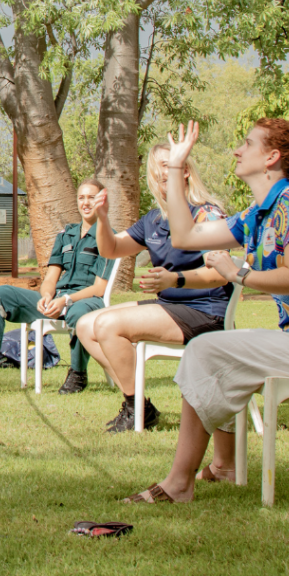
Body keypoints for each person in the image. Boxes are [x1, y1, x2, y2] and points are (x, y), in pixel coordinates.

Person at [122, 119, 289, 504]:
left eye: (247, 143)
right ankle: (206, 472)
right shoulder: (260, 212)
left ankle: (181, 483)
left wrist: (238, 273)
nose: (237, 150)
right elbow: (185, 236)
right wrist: (175, 168)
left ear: (271, 157)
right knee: (209, 350)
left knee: (209, 350)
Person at [76, 145, 232, 433]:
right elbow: (110, 249)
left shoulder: (206, 214)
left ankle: (134, 409)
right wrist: (103, 218)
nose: (162, 170)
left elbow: (219, 275)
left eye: (169, 163)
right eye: (157, 165)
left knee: (108, 324)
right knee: (86, 325)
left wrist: (175, 280)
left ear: (184, 170)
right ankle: (141, 405)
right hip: (170, 307)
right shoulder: (155, 220)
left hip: (205, 311)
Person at [0, 179, 115, 394]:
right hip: (56, 300)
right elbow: (51, 277)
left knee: (79, 314)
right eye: (81, 197)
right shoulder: (65, 235)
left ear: (101, 201)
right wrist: (47, 295)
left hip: (85, 302)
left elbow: (99, 289)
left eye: (91, 197)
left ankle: (78, 375)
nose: (85, 202)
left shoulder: (108, 237)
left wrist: (66, 300)